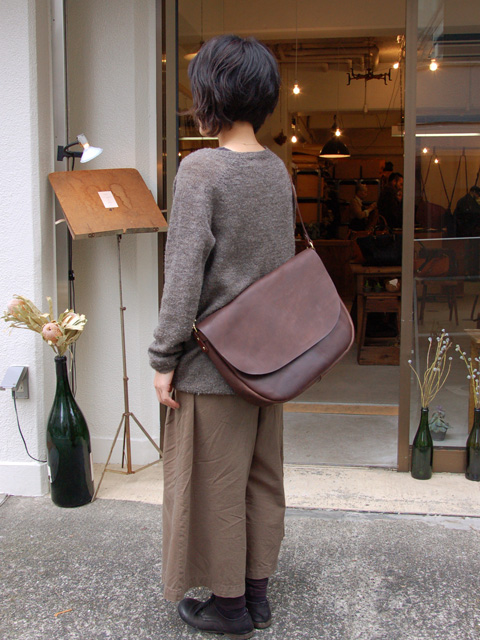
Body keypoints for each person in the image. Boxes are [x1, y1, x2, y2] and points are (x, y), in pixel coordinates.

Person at [148, 35, 295, 640]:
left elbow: (183, 275)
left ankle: (229, 608)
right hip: (271, 363)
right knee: (261, 478)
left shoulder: (201, 169)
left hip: (213, 366)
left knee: (216, 486)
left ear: (210, 94)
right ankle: (256, 595)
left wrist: (164, 356)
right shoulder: (277, 169)